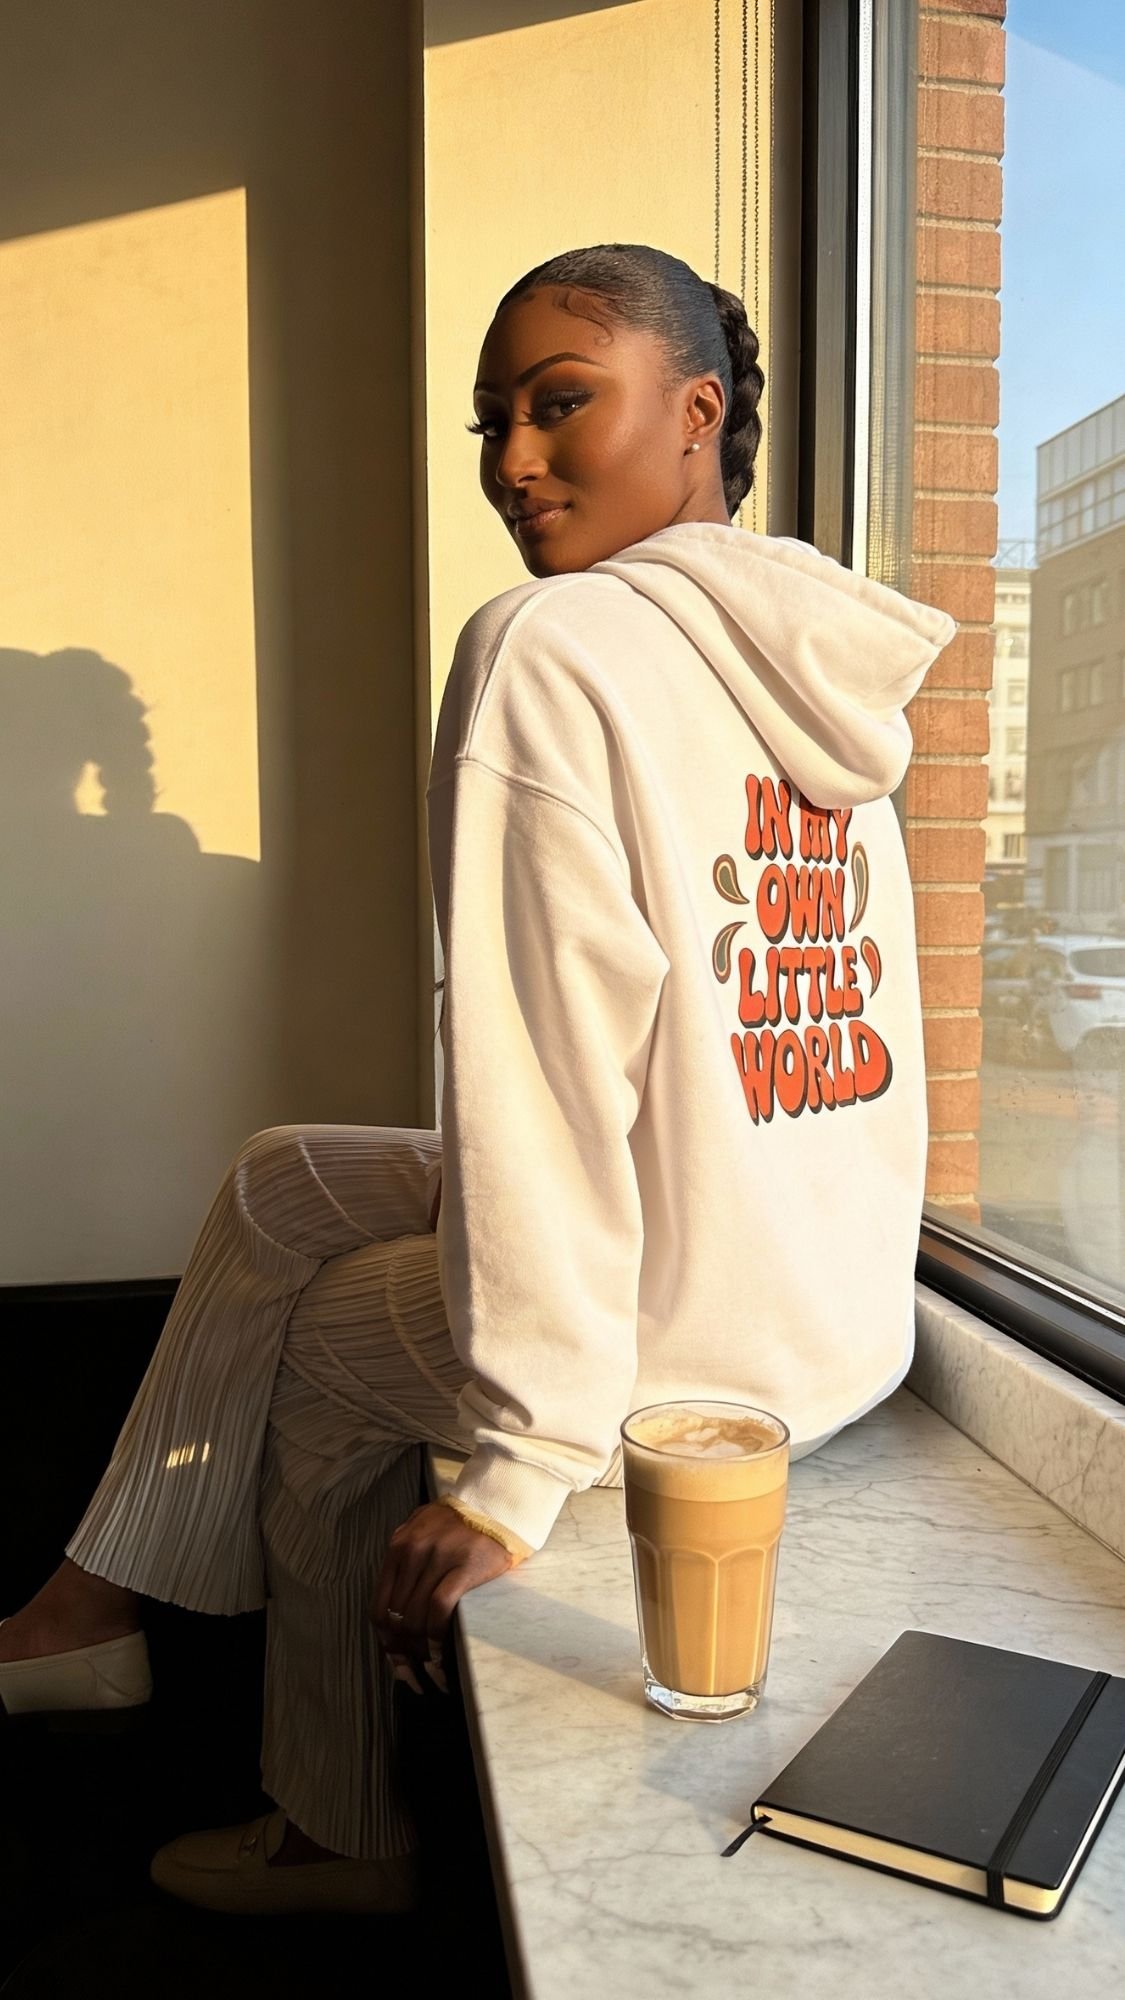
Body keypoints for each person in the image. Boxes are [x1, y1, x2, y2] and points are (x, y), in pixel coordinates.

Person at [0, 242, 956, 1916]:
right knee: (281, 1175)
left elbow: (549, 1077)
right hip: (824, 1314)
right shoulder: (822, 683)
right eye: (491, 423)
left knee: (317, 1347)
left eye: (559, 403)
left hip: (675, 1365)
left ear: (696, 414)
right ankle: (90, 1601)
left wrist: (523, 1469)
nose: (513, 460)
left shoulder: (552, 642)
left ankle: (334, 1831)